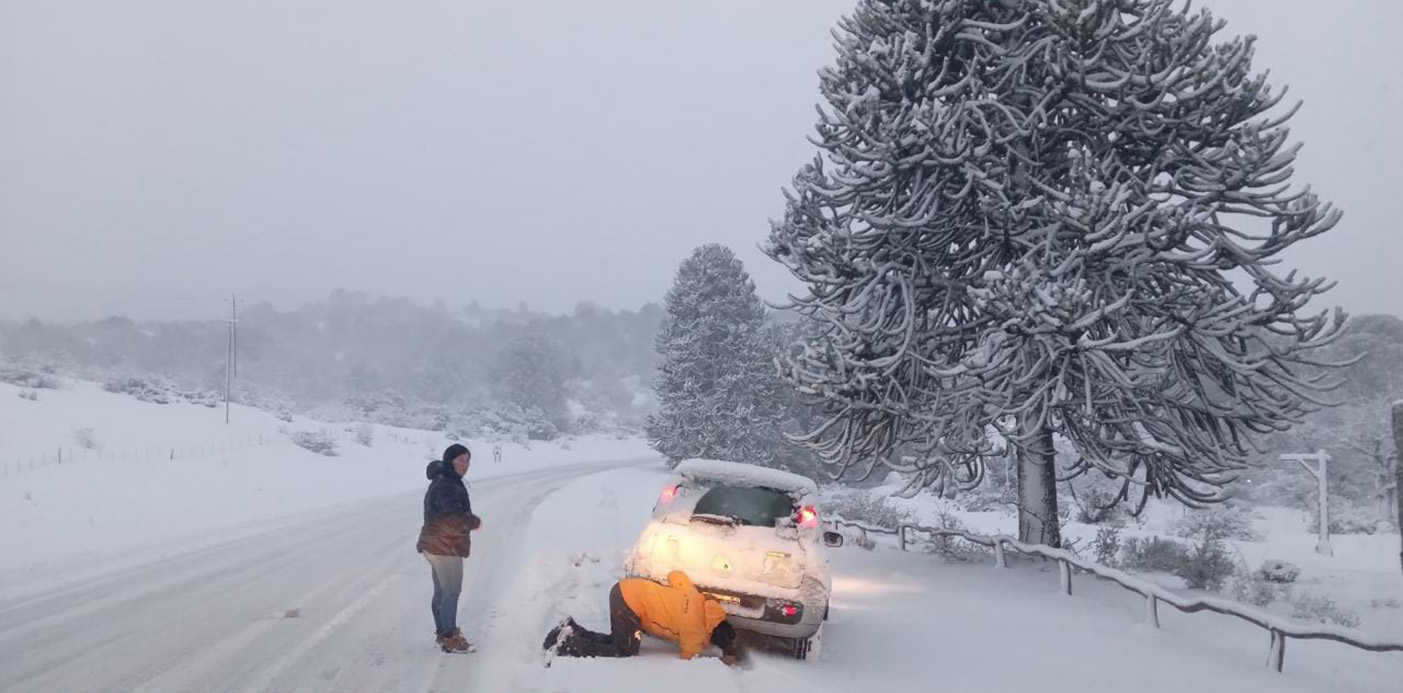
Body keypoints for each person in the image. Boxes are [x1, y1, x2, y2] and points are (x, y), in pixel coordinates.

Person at [542, 571, 739, 664]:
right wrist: (720, 661)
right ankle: (566, 643)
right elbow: (690, 657)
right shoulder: (695, 631)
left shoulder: (696, 597)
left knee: (618, 639)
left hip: (628, 588)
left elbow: (677, 576)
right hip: (629, 603)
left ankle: (571, 629)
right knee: (625, 649)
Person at [416, 443, 482, 653]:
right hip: (445, 546)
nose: (466, 464)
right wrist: (473, 522)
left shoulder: (444, 480)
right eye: (461, 459)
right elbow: (451, 518)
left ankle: (442, 632)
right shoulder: (447, 485)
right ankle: (450, 637)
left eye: (468, 460)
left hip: (434, 544)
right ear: (450, 460)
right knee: (451, 592)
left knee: (442, 592)